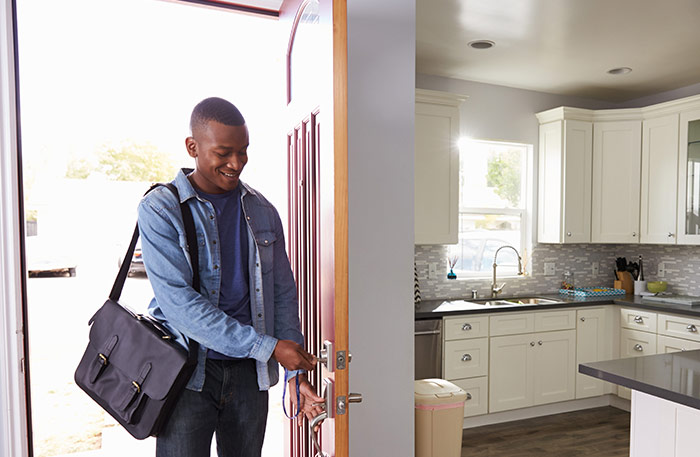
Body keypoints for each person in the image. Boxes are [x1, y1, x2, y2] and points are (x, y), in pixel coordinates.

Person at [137, 97, 324, 457]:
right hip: (187, 373)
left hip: (247, 376)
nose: (236, 163)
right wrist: (268, 348)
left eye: (243, 151)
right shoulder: (161, 208)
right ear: (193, 147)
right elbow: (179, 305)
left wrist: (294, 375)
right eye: (223, 153)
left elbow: (282, 294)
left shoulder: (262, 210)